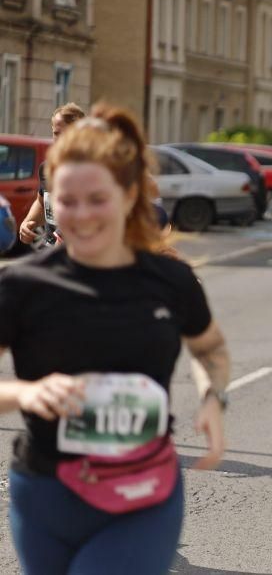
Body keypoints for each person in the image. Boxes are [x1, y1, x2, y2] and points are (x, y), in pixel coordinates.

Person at [0, 105, 229, 574]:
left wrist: (212, 397)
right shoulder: (24, 285)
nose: (81, 215)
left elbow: (210, 349)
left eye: (97, 199)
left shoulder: (169, 279)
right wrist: (26, 393)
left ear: (128, 198)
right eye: (68, 201)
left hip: (142, 492)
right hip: (44, 492)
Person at [18, 103, 87, 246]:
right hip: (50, 248)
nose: (60, 139)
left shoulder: (93, 172)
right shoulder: (47, 168)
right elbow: (41, 202)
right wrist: (27, 223)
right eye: (56, 133)